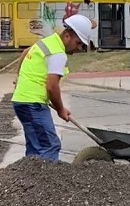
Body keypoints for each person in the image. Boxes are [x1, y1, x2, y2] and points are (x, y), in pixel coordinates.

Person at [11, 14, 92, 161]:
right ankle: (46, 182)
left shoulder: (48, 42)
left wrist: (19, 78)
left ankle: (29, 178)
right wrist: (60, 109)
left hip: (22, 101)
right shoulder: (58, 54)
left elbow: (25, 53)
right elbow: (52, 87)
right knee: (49, 145)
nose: (79, 48)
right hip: (33, 104)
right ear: (67, 36)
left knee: (35, 146)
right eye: (78, 43)